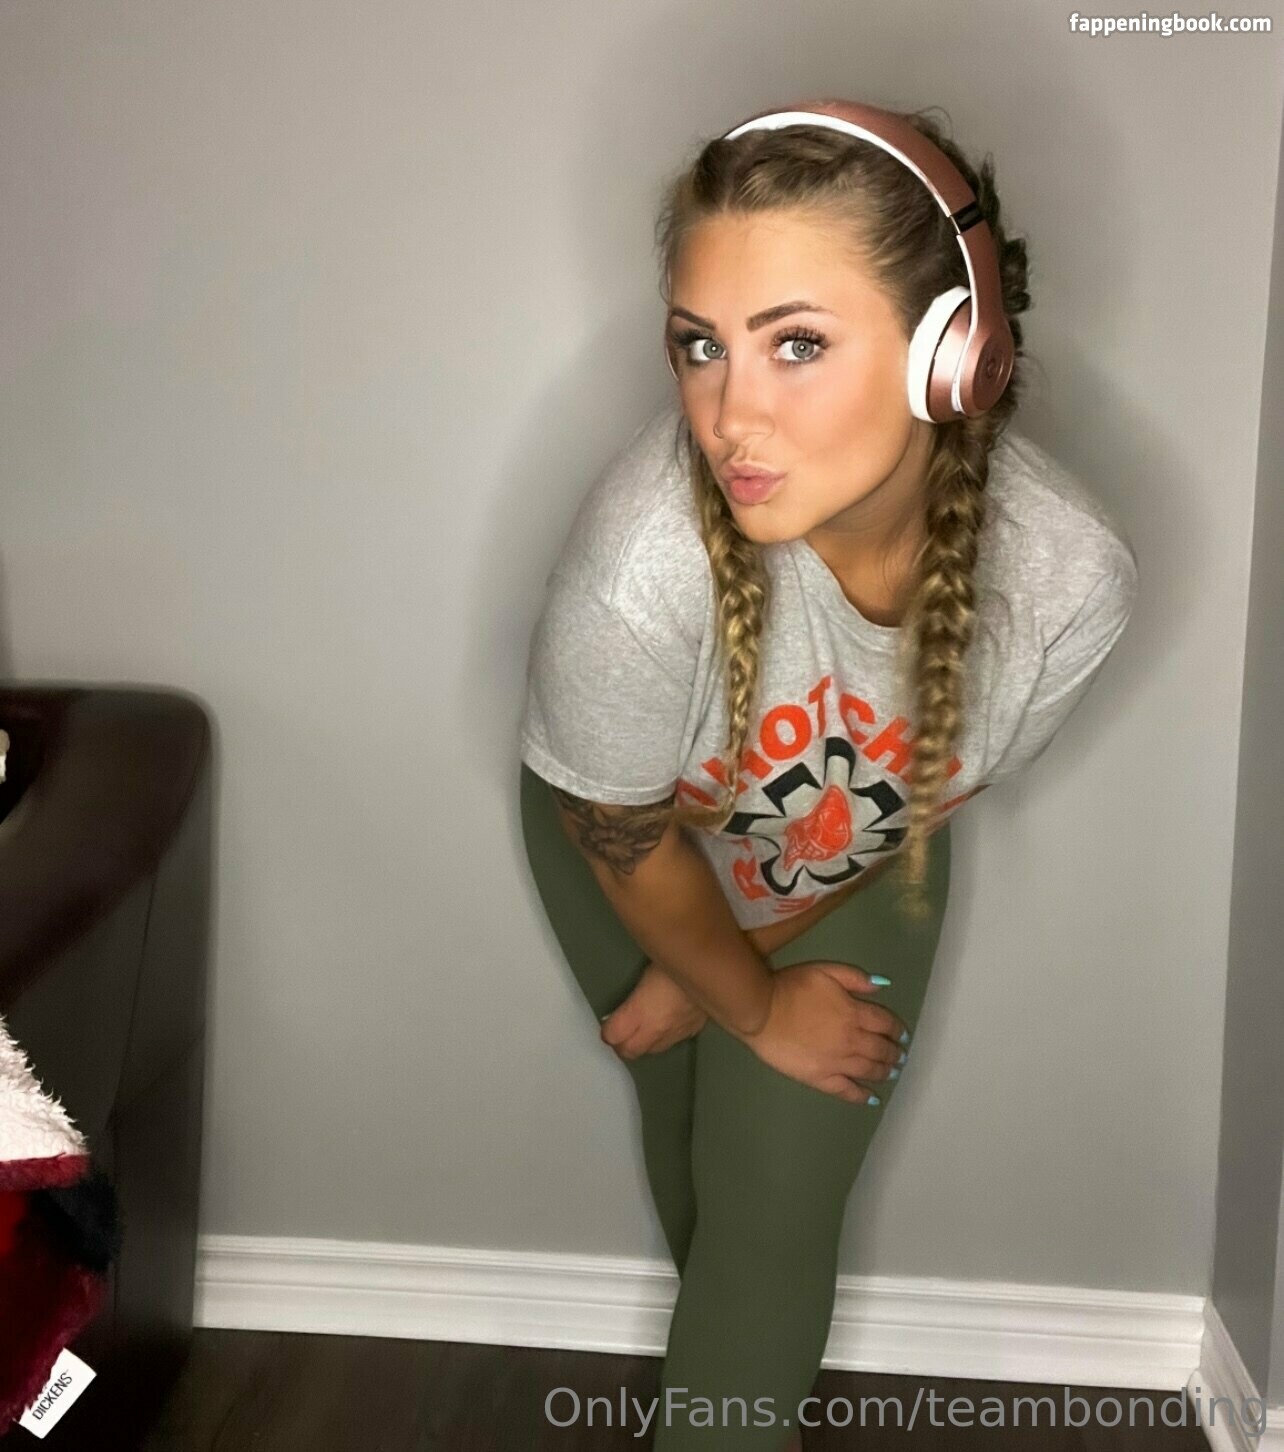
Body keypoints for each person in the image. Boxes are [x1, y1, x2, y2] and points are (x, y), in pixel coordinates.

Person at [517, 98, 1139, 1451]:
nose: (728, 415)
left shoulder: (1066, 579)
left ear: (955, 360)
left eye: (795, 343)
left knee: (774, 1206)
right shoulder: (639, 568)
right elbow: (620, 833)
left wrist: (728, 981)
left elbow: (933, 792)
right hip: (624, 840)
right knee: (696, 1138)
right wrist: (723, 986)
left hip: (862, 848)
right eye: (700, 345)